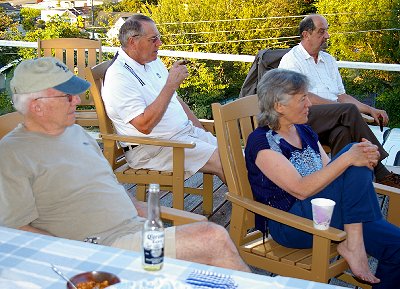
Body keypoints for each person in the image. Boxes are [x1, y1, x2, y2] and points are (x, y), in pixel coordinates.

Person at [0, 57, 250, 272]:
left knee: (205, 243)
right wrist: (76, 256)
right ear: (37, 106)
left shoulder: (77, 134)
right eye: (67, 96)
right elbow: (16, 229)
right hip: (99, 250)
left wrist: (153, 218)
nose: (77, 100)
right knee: (213, 239)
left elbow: (111, 190)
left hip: (136, 232)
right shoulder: (13, 154)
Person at [245, 68, 400, 288]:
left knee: (397, 247)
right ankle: (354, 243)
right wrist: (351, 158)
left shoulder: (304, 131)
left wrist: (359, 157)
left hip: (328, 213)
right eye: (302, 98)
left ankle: (354, 240)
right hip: (292, 224)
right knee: (353, 152)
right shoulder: (261, 142)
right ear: (279, 106)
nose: (309, 103)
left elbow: (332, 172)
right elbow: (300, 189)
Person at [278, 14, 400, 189]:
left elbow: (341, 96)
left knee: (342, 131)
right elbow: (305, 98)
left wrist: (369, 109)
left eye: (327, 31)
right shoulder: (291, 61)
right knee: (347, 110)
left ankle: (339, 185)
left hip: (329, 121)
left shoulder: (328, 60)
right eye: (321, 32)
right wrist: (341, 109)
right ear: (306, 34)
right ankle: (381, 172)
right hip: (301, 119)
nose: (327, 36)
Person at [102, 14, 225, 183]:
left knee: (237, 155)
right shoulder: (119, 76)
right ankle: (253, 207)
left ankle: (259, 203)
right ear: (132, 42)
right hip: (152, 148)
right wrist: (170, 85)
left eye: (158, 38)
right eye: (153, 39)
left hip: (183, 135)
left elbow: (176, 101)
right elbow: (144, 125)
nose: (159, 44)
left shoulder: (152, 61)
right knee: (224, 161)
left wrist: (201, 131)